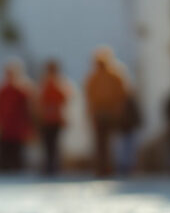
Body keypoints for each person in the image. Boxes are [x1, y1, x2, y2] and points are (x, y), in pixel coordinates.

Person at [83, 48, 132, 178]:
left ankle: (110, 168)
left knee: (111, 143)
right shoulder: (94, 77)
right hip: (99, 114)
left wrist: (118, 110)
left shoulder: (115, 76)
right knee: (100, 143)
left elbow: (122, 95)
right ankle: (101, 168)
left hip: (110, 113)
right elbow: (89, 96)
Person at [0, 63, 36, 174]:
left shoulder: (22, 91)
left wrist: (28, 127)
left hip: (17, 130)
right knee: (3, 157)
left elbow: (29, 111)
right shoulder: (2, 91)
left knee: (17, 158)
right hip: (5, 130)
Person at [36, 60, 72, 177]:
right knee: (47, 144)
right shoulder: (45, 82)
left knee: (54, 144)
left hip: (55, 118)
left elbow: (64, 98)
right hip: (47, 118)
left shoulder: (58, 82)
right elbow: (39, 100)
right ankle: (48, 166)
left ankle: (54, 167)